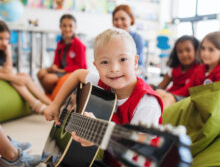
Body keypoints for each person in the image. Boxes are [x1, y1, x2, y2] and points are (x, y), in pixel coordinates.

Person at [44, 28, 163, 167]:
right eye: (105, 62)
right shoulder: (103, 83)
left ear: (136, 62)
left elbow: (135, 154)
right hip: (109, 161)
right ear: (96, 66)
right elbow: (77, 74)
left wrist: (99, 136)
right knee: (64, 161)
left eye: (123, 59)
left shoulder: (147, 103)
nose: (114, 68)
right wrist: (55, 104)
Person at [159, 31, 220, 109]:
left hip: (201, 105)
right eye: (203, 48)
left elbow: (215, 100)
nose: (205, 53)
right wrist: (169, 94)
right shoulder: (200, 69)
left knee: (167, 99)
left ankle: (159, 120)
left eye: (211, 50)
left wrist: (170, 96)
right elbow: (187, 90)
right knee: (162, 95)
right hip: (192, 101)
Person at [0, 20, 51, 114]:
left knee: (23, 75)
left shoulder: (4, 49)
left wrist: (9, 53)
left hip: (4, 76)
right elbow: (8, 74)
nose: (4, 42)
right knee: (15, 79)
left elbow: (8, 70)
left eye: (7, 39)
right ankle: (35, 104)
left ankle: (50, 104)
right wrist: (13, 78)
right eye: (1, 38)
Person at [37, 14, 87, 94]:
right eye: (64, 26)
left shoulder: (79, 45)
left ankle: (53, 97)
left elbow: (80, 67)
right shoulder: (60, 44)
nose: (67, 29)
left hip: (72, 73)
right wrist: (52, 67)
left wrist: (59, 70)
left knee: (48, 79)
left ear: (75, 27)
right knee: (40, 73)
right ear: (60, 27)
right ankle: (48, 96)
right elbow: (56, 63)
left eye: (70, 26)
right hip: (60, 71)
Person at [151, 35, 200, 107]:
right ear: (176, 54)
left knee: (166, 98)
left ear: (195, 51)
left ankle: (159, 117)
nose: (184, 54)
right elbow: (161, 85)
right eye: (180, 51)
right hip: (171, 94)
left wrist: (167, 94)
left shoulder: (199, 69)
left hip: (184, 98)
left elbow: (187, 91)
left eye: (188, 50)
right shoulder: (174, 69)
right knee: (152, 89)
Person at [112, 4, 144, 75]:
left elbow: (141, 66)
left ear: (131, 19)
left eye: (123, 19)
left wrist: (133, 74)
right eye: (116, 19)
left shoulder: (137, 38)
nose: (119, 22)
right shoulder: (110, 39)